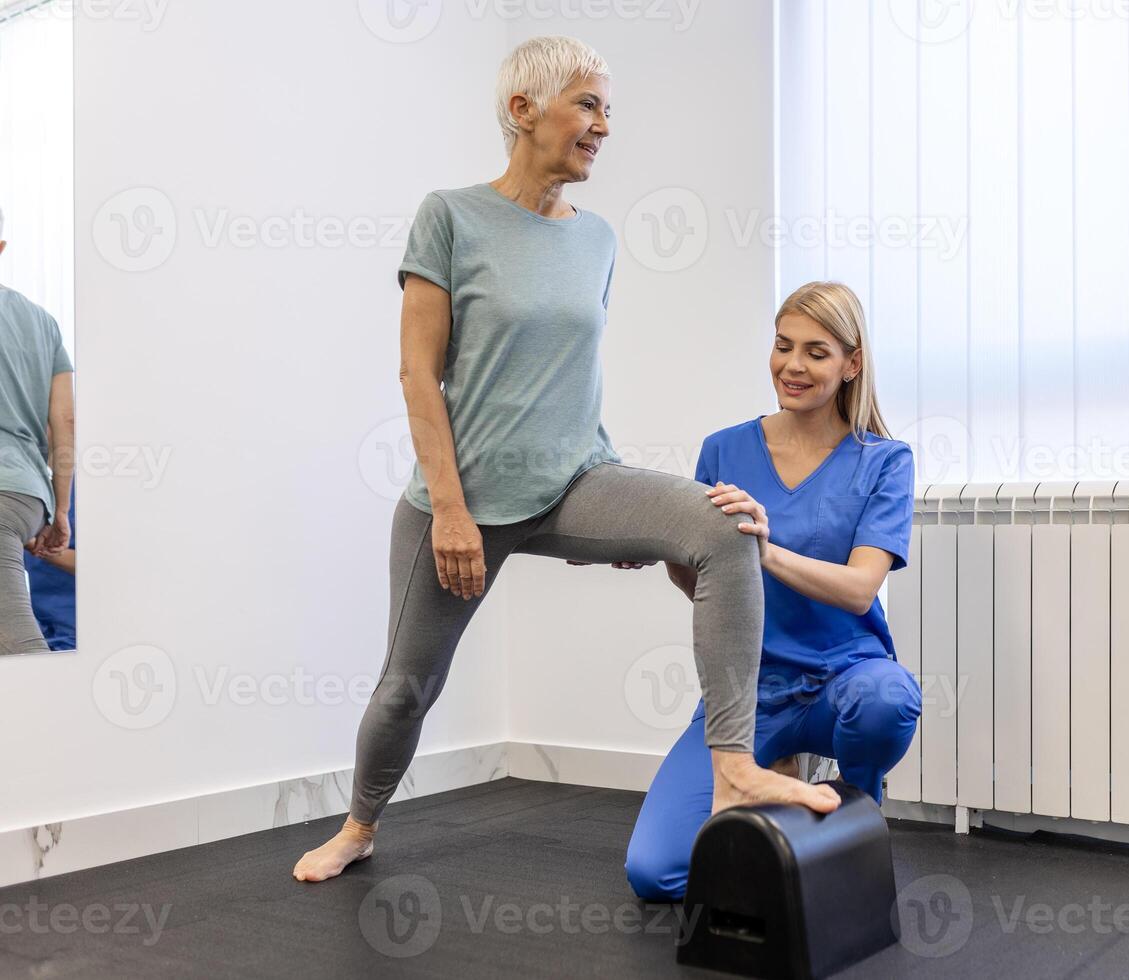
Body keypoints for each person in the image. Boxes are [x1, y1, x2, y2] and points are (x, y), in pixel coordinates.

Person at [293, 36, 839, 883]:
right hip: (462, 500)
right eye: (589, 105)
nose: (604, 127)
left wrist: (622, 497)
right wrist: (448, 509)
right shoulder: (450, 216)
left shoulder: (599, 240)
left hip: (575, 480)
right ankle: (360, 824)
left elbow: (569, 378)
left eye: (608, 109)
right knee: (408, 688)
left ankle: (732, 766)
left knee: (724, 526)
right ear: (523, 111)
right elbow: (419, 375)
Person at [623, 281, 922, 901]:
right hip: (747, 693)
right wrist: (656, 550)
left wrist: (764, 550)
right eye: (783, 346)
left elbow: (861, 590)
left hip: (845, 680)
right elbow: (704, 582)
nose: (793, 365)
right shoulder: (724, 449)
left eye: (816, 352)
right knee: (656, 873)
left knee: (886, 703)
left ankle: (854, 815)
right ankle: (778, 780)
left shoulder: (884, 461)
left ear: (851, 364)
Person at [0, 206, 76, 656]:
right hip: (28, 495)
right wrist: (61, 510)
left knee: (18, 647)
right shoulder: (43, 322)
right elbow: (64, 423)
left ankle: (64, 725)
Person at [24, 479, 76, 651]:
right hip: (31, 628)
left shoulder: (85, 492)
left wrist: (30, 542)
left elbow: (105, 566)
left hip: (72, 632)